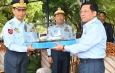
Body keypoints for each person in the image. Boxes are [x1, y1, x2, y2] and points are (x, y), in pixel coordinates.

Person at [53, 2, 106, 73]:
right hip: (86, 63)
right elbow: (82, 41)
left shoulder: (95, 27)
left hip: (92, 65)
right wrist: (69, 42)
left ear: (94, 13)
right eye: (81, 12)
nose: (82, 14)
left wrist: (64, 47)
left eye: (85, 11)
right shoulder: (89, 26)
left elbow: (83, 46)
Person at [2, 0, 35, 73]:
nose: (21, 13)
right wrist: (26, 48)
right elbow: (10, 45)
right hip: (12, 57)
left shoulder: (28, 26)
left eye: (23, 10)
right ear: (13, 10)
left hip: (24, 56)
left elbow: (32, 40)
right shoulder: (9, 26)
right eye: (19, 10)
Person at [47, 7, 74, 73]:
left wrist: (71, 54)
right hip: (55, 53)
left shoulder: (69, 28)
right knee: (56, 71)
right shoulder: (50, 29)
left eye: (61, 15)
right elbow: (48, 43)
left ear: (64, 17)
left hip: (66, 52)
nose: (60, 17)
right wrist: (49, 55)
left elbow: (72, 41)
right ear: (55, 18)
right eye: (58, 15)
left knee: (65, 71)